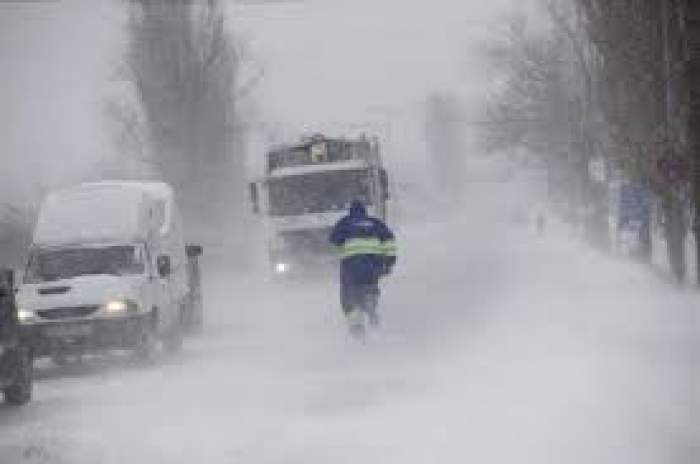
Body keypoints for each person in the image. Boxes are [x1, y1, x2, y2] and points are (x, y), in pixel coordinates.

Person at [330, 201, 396, 334]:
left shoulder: (345, 222)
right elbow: (389, 241)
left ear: (351, 211)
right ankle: (370, 305)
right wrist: (389, 262)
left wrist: (342, 251)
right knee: (370, 284)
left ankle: (356, 324)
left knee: (348, 293)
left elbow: (334, 241)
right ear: (365, 212)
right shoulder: (376, 223)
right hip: (373, 263)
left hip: (351, 264)